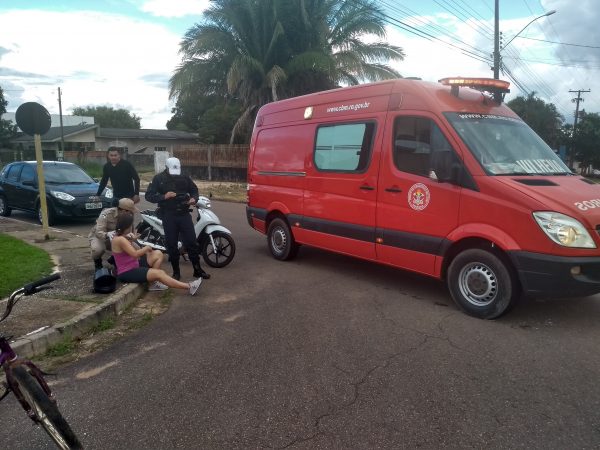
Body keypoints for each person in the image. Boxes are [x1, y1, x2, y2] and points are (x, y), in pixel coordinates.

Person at [145, 157, 210, 281]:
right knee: (172, 245)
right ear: (166, 167)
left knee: (192, 242)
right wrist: (164, 196)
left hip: (184, 214)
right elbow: (149, 196)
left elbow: (194, 190)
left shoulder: (184, 176)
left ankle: (197, 270)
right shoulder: (158, 178)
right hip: (169, 215)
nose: (175, 174)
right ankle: (176, 272)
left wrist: (194, 198)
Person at [111, 211, 203, 295]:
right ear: (127, 226)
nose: (132, 227)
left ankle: (153, 283)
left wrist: (132, 240)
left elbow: (134, 250)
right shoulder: (120, 239)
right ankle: (189, 286)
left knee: (158, 253)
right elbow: (135, 254)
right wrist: (146, 248)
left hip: (134, 265)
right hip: (127, 272)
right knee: (160, 273)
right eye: (131, 225)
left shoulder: (122, 237)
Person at [89, 198, 138, 270]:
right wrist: (107, 234)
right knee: (97, 250)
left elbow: (130, 231)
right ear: (124, 211)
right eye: (131, 212)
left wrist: (130, 237)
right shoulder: (106, 214)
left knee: (135, 248)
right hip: (101, 237)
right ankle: (98, 263)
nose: (132, 214)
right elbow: (98, 232)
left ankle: (114, 259)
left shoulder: (129, 216)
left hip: (117, 238)